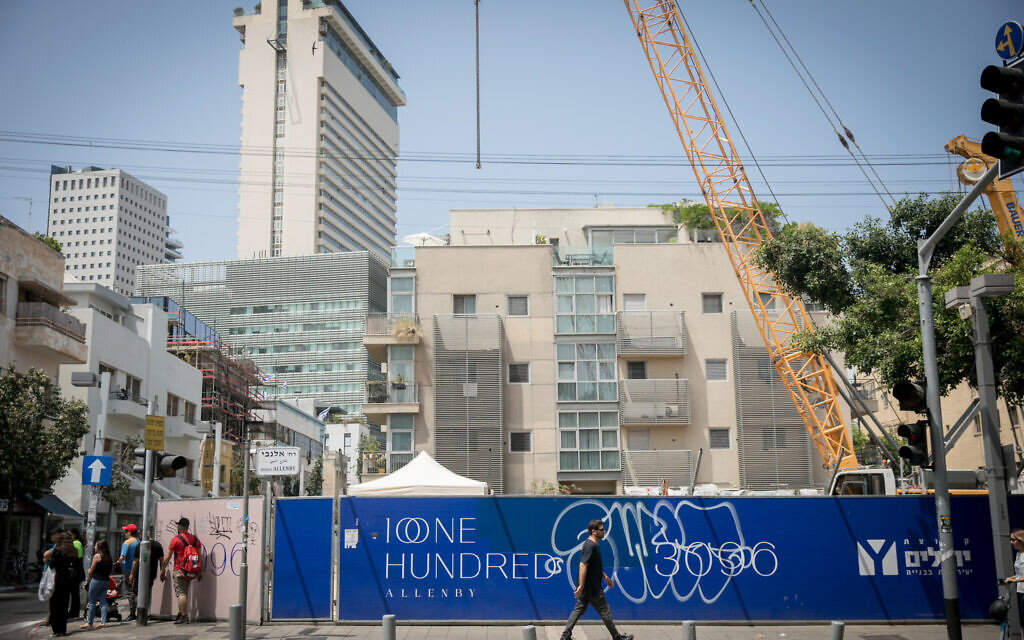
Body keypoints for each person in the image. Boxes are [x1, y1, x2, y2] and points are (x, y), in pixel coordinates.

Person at [559, 520, 632, 640]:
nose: (604, 531)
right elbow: (583, 565)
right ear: (594, 531)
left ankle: (565, 636)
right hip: (592, 589)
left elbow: (593, 566)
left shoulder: (592, 545)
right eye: (602, 529)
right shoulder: (590, 545)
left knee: (578, 610)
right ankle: (617, 637)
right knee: (605, 611)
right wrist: (581, 586)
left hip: (588, 588)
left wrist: (605, 577)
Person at [162, 517, 202, 624]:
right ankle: (180, 614)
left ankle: (184, 616)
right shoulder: (195, 539)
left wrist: (162, 569)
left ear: (180, 527)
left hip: (179, 570)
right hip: (191, 571)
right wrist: (199, 571)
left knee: (181, 593)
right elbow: (199, 556)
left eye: (178, 525)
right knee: (184, 593)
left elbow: (167, 557)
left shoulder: (176, 539)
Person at [47, 532, 78, 637]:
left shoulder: (58, 551)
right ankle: (63, 630)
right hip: (69, 582)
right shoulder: (74, 552)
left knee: (55, 607)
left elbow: (52, 565)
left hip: (57, 582)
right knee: (64, 606)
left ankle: (56, 630)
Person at [82, 539, 113, 630]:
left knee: (92, 602)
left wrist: (87, 580)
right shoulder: (108, 557)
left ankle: (90, 623)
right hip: (106, 581)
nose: (94, 547)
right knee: (103, 601)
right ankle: (103, 622)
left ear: (99, 547)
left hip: (96, 581)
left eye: (96, 546)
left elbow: (91, 571)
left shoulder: (97, 556)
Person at [118, 523, 140, 621]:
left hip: (128, 570)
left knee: (129, 592)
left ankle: (132, 613)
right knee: (136, 591)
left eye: (125, 531)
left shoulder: (126, 543)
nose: (124, 533)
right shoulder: (139, 542)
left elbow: (123, 557)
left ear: (129, 532)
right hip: (138, 570)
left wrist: (119, 561)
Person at [1004, 529, 1024, 624]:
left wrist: (1016, 581)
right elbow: (1020, 574)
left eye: (1013, 539)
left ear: (1021, 540)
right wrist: (1010, 578)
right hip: (1020, 591)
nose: (1011, 542)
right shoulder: (1018, 554)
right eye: (1010, 540)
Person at [67, 528, 84, 620]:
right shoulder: (76, 543)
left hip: (74, 572)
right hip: (75, 571)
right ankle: (73, 612)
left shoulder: (76, 543)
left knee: (74, 593)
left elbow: (79, 557)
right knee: (74, 593)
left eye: (70, 535)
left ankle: (74, 612)